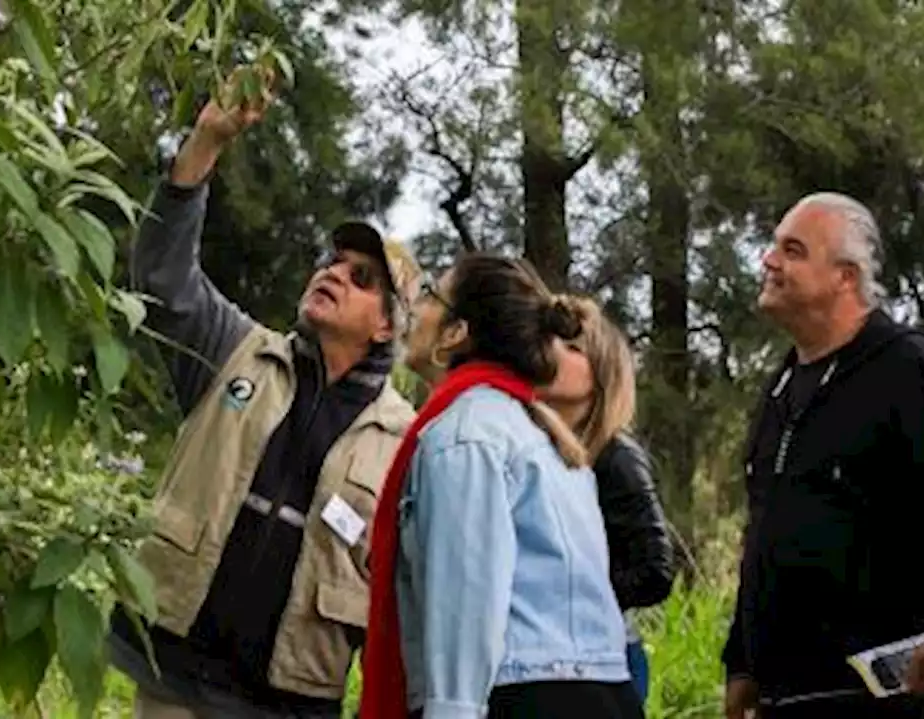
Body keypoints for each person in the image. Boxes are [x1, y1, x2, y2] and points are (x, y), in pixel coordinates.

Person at [107, 68, 424, 719]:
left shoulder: (405, 441)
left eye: (361, 276)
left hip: (287, 702)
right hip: (175, 675)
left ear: (388, 322)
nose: (334, 271)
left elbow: (407, 597)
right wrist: (206, 140)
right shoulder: (238, 351)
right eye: (331, 260)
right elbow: (162, 279)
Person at [361, 254, 643, 719]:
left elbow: (466, 599)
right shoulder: (544, 432)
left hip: (521, 695)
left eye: (432, 295)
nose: (415, 307)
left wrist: (451, 711)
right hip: (598, 690)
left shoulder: (465, 433)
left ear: (455, 334)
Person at [722, 192, 924, 719]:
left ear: (846, 277)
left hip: (892, 698)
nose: (768, 260)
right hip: (786, 698)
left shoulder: (911, 368)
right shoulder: (781, 390)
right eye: (772, 246)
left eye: (793, 249)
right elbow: (763, 531)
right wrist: (740, 661)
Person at [544, 295, 676, 706]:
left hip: (607, 659)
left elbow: (656, 569)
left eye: (573, 348)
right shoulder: (534, 448)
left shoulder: (616, 456)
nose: (551, 352)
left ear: (601, 375)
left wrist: (570, 594)